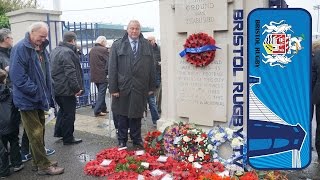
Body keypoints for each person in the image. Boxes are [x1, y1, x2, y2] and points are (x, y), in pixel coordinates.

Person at [9, 22, 64, 175]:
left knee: (40, 130)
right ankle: (44, 166)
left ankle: (38, 161)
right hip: (28, 99)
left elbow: (45, 72)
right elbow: (17, 77)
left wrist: (46, 92)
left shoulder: (41, 48)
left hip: (39, 98)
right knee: (35, 133)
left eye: (45, 36)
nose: (43, 39)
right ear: (32, 33)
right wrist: (36, 91)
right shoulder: (20, 48)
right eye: (41, 36)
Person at [109, 20, 156, 148]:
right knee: (122, 115)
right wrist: (113, 88)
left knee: (137, 114)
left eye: (137, 28)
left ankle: (136, 138)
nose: (134, 31)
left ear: (140, 30)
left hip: (140, 86)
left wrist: (151, 87)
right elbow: (112, 68)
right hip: (123, 86)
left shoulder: (146, 45)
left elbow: (152, 67)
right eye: (132, 28)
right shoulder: (117, 45)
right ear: (127, 30)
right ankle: (122, 139)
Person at [50, 31, 83, 145]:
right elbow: (70, 72)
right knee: (69, 114)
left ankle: (60, 132)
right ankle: (68, 138)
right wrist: (76, 88)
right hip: (66, 89)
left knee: (62, 112)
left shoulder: (55, 50)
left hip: (57, 87)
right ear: (73, 40)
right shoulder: (67, 52)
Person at [0, 69, 23, 178]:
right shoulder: (10, 92)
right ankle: (17, 164)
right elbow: (16, 104)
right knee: (14, 141)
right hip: (11, 122)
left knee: (2, 146)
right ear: (4, 80)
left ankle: (4, 168)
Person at [89, 36, 109, 117]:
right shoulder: (104, 50)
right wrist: (107, 73)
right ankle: (97, 110)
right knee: (101, 94)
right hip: (102, 75)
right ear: (103, 42)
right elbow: (109, 62)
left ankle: (103, 108)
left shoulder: (92, 50)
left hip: (94, 75)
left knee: (101, 93)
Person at [147, 36, 162, 114]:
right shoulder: (145, 49)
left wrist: (160, 63)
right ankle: (154, 111)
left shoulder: (159, 49)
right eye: (147, 40)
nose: (148, 42)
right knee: (151, 95)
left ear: (154, 40)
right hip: (148, 75)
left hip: (157, 73)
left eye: (150, 40)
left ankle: (158, 109)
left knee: (158, 93)